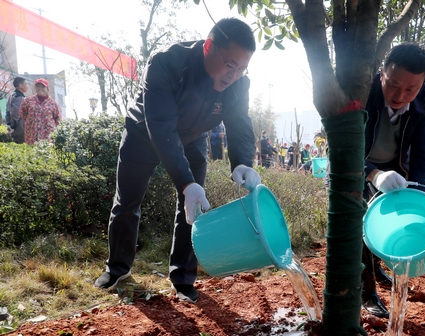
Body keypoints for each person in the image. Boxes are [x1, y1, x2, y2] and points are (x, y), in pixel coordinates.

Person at [93, 18, 260, 304]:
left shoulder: (238, 84)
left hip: (192, 137)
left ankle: (182, 277)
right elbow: (160, 127)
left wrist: (243, 162)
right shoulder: (167, 64)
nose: (234, 75)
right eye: (230, 65)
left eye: (242, 68)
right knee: (127, 202)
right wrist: (185, 182)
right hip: (144, 133)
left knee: (192, 209)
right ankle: (117, 269)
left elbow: (239, 123)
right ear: (209, 47)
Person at [362, 43, 425, 318]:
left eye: (410, 89)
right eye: (393, 85)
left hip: (394, 167)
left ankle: (376, 267)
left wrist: (418, 193)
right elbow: (344, 145)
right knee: (363, 220)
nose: (399, 95)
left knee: (391, 218)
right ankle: (365, 290)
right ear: (382, 72)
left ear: (423, 85)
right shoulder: (362, 89)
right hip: (357, 164)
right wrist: (372, 173)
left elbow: (422, 151)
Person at [19, 78, 61, 144]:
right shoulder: (28, 101)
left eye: (42, 86)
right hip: (31, 135)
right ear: (35, 88)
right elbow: (23, 114)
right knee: (32, 153)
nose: (40, 88)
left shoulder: (53, 104)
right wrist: (32, 121)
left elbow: (58, 119)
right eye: (38, 86)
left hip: (48, 136)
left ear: (47, 89)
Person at [5, 77, 28, 144]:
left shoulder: (12, 95)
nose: (27, 86)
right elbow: (16, 113)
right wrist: (13, 126)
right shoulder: (19, 97)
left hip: (13, 125)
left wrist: (9, 125)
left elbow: (8, 111)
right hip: (19, 126)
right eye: (26, 84)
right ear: (20, 85)